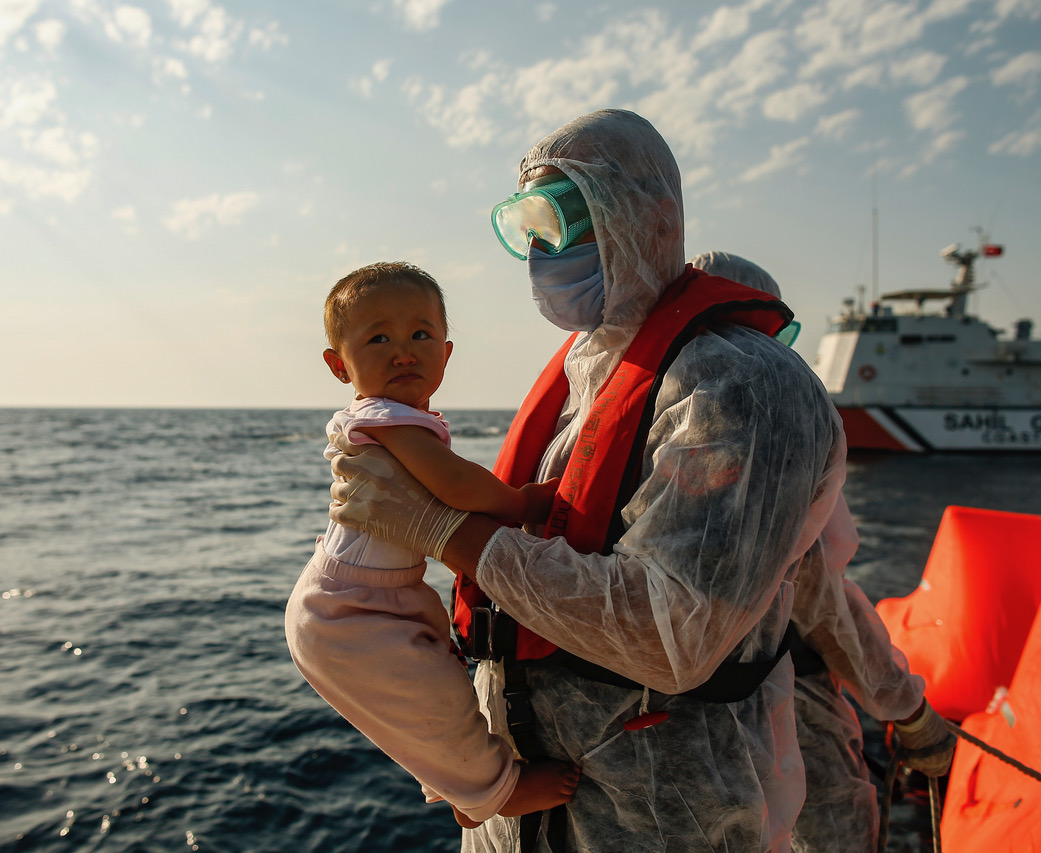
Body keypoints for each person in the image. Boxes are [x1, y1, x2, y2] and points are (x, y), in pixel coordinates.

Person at [319, 109, 923, 852]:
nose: (544, 251)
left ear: (655, 218)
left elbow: (672, 633)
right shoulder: (588, 381)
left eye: (565, 219)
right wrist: (462, 766)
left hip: (658, 819)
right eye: (529, 229)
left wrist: (443, 528)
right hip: (526, 815)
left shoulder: (740, 386)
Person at [284, 261, 579, 829]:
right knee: (434, 701)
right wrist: (522, 504)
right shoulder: (384, 417)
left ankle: (464, 791)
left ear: (446, 353)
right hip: (349, 609)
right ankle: (497, 792)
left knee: (436, 696)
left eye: (420, 335)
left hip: (380, 597)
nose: (403, 352)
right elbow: (455, 485)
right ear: (337, 364)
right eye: (378, 338)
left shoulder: (404, 419)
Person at [690, 251, 954, 853]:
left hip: (673, 719)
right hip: (781, 703)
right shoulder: (775, 427)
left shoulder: (663, 419)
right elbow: (820, 598)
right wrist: (907, 710)